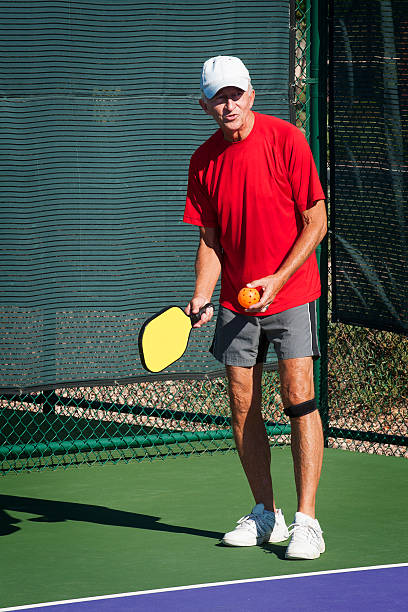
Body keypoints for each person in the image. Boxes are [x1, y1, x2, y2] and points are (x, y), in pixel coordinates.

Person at [183, 56, 327, 560]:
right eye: (219, 97)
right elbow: (210, 241)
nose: (229, 104)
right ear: (205, 105)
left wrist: (278, 279)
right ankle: (267, 513)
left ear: (251, 95)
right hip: (236, 302)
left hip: (291, 292)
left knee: (298, 396)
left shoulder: (287, 140)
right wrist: (202, 293)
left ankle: (307, 522)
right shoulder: (203, 162)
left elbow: (316, 221)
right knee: (242, 405)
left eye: (236, 94)